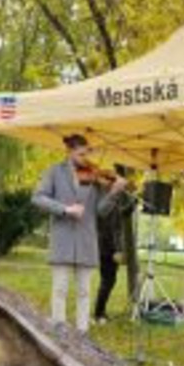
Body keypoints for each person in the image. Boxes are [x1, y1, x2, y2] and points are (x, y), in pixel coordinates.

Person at [31, 134, 128, 332]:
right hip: (62, 241)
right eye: (81, 153)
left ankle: (83, 333)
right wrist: (65, 209)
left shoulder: (94, 176)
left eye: (87, 153)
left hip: (86, 242)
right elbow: (38, 198)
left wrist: (113, 192)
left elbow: (101, 211)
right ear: (69, 151)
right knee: (60, 290)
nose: (85, 158)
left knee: (84, 292)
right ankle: (59, 330)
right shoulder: (54, 172)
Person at [93, 176, 136, 323]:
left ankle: (101, 311)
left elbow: (120, 215)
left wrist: (131, 205)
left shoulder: (114, 200)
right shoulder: (104, 199)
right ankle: (99, 314)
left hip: (114, 246)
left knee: (110, 280)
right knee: (107, 280)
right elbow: (104, 215)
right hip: (106, 246)